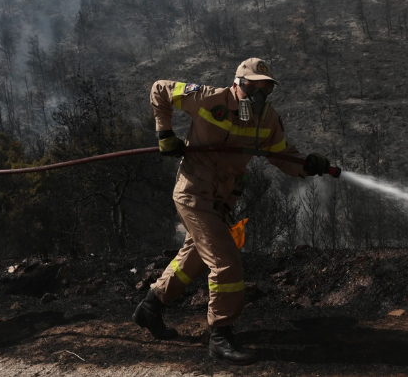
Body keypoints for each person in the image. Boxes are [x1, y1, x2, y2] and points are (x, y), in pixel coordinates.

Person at [132, 58, 332, 365]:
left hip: (221, 201)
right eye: (254, 88)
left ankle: (151, 306)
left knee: (195, 257)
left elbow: (281, 156)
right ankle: (220, 336)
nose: (259, 97)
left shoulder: (267, 119)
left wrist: (307, 165)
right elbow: (160, 89)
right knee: (226, 263)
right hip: (194, 193)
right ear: (238, 83)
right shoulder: (208, 98)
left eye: (265, 90)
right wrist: (165, 134)